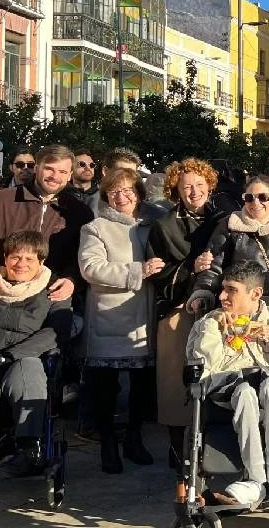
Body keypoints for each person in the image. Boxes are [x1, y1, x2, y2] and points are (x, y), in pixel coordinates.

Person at [186, 261, 269, 507]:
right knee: (245, 392)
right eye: (222, 289)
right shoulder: (209, 322)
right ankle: (256, 480)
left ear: (255, 293)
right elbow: (204, 373)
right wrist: (220, 333)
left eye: (231, 290)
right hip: (229, 392)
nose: (222, 296)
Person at [79, 168, 164, 474]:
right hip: (109, 316)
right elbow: (90, 268)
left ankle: (133, 437)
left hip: (144, 319)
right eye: (114, 192)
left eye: (128, 190)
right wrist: (136, 271)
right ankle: (107, 443)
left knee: (142, 386)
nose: (122, 196)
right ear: (106, 196)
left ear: (139, 193)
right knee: (105, 387)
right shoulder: (95, 228)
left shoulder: (151, 225)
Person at [146, 158, 229, 468]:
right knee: (175, 380)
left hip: (219, 307)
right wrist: (189, 269)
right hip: (179, 306)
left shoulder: (225, 219)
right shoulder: (164, 225)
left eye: (199, 185)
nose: (194, 192)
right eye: (186, 187)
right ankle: (178, 448)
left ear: (209, 185)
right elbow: (157, 272)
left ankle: (213, 446)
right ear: (175, 191)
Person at [0, 231, 72, 487]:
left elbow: (56, 332)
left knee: (28, 369)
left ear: (41, 262)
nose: (22, 264)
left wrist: (13, 355)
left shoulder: (54, 290)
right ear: (5, 258)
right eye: (15, 257)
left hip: (25, 358)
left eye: (30, 258)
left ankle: (30, 448)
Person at [187, 176, 269, 318]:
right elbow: (213, 265)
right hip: (237, 305)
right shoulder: (230, 225)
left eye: (263, 197)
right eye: (249, 198)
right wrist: (203, 293)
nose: (256, 203)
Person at [0, 145, 94, 302]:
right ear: (37, 167)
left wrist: (72, 280)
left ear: (70, 175)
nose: (55, 176)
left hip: (49, 298)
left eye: (63, 172)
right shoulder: (0, 200)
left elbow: (82, 255)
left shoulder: (79, 212)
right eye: (49, 169)